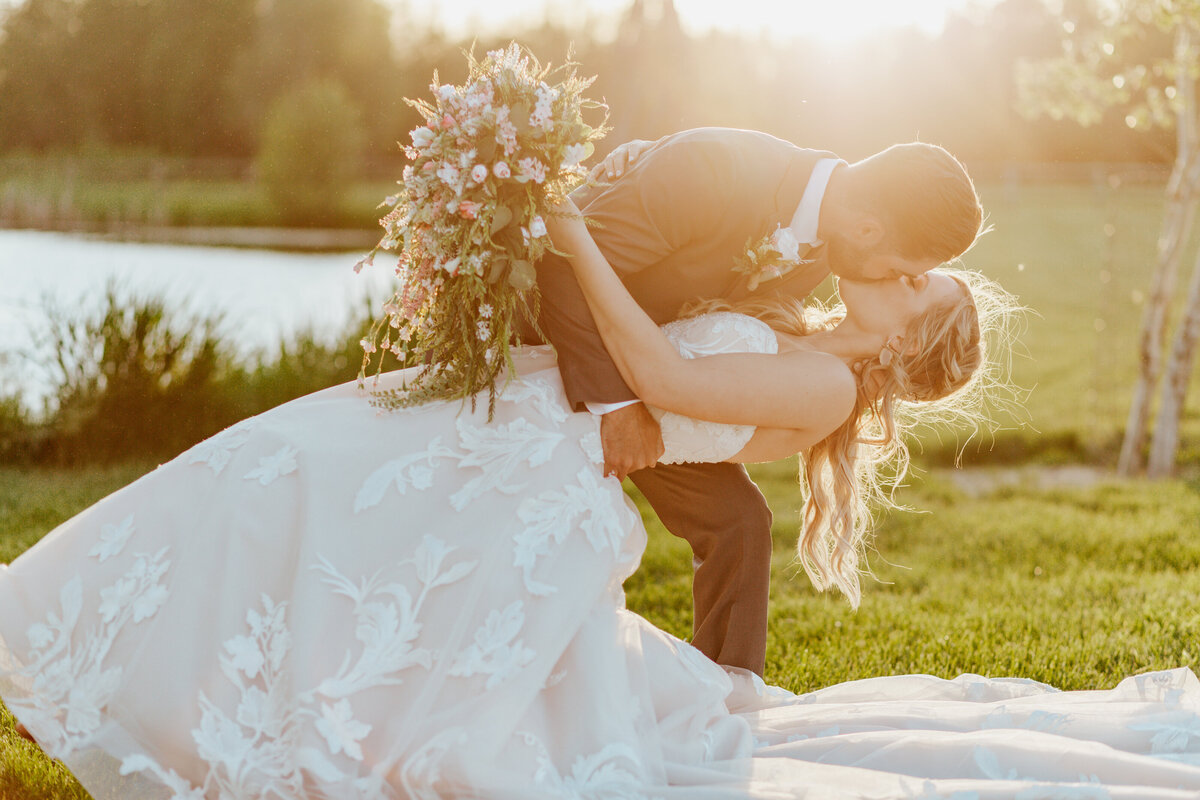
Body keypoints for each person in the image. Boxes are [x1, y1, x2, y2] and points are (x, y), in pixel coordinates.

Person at [4, 191, 1198, 798]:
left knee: (310, 510)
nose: (908, 272)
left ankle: (117, 668)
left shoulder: (828, 385)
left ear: (904, 345)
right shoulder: (810, 324)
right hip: (520, 425)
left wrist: (574, 234)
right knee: (284, 482)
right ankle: (68, 632)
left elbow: (667, 374)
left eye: (922, 289)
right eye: (920, 266)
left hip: (542, 462)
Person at [532, 127, 985, 676]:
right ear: (868, 229)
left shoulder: (829, 319)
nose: (895, 276)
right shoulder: (729, 183)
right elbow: (582, 270)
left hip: (634, 396)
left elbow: (683, 378)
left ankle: (725, 692)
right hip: (559, 350)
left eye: (909, 281)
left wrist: (577, 229)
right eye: (903, 268)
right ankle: (728, 691)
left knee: (739, 519)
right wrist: (640, 165)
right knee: (741, 517)